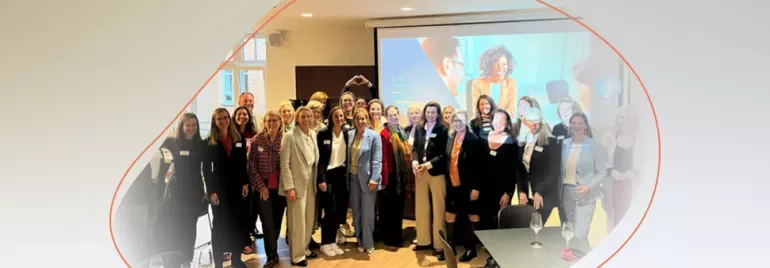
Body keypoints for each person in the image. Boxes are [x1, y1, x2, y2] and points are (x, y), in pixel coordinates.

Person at [154, 113, 208, 268]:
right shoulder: (172, 142)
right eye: (188, 125)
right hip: (175, 193)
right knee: (174, 229)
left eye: (194, 125)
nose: (191, 128)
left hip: (195, 193)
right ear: (181, 126)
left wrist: (207, 190)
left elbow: (207, 168)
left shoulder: (201, 144)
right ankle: (173, 262)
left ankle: (187, 260)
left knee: (190, 230)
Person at [203, 108, 250, 268]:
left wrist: (245, 182)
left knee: (237, 223)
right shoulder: (209, 142)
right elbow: (206, 170)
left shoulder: (239, 138)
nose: (223, 121)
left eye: (225, 117)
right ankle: (218, 262)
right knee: (219, 226)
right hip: (219, 189)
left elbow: (243, 163)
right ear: (214, 122)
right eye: (219, 119)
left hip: (237, 187)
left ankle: (237, 259)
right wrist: (211, 192)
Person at [279, 106, 320, 267]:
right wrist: (289, 187)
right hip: (296, 184)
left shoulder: (313, 134)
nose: (306, 119)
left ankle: (305, 248)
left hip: (311, 181)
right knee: (297, 222)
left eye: (309, 116)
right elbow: (285, 163)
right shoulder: (289, 136)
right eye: (303, 116)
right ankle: (297, 256)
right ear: (297, 118)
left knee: (309, 218)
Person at [443, 109, 484, 262]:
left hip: (468, 186)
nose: (458, 123)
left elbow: (480, 167)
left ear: (466, 121)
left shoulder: (474, 140)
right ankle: (450, 248)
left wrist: (476, 188)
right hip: (452, 185)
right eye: (455, 120)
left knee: (470, 217)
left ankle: (471, 249)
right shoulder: (451, 137)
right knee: (450, 215)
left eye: (461, 120)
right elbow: (447, 160)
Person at [411, 101, 450, 260]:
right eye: (428, 112)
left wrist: (428, 164)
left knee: (439, 208)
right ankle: (423, 240)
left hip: (436, 172)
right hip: (420, 172)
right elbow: (415, 148)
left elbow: (443, 154)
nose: (430, 115)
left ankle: (439, 245)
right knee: (421, 207)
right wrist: (414, 161)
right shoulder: (420, 128)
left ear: (438, 114)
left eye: (433, 112)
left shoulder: (443, 130)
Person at [247, 110, 285, 268]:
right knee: (267, 221)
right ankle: (271, 255)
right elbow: (251, 166)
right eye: (268, 121)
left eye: (275, 120)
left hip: (281, 185)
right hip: (263, 187)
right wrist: (261, 187)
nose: (272, 124)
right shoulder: (257, 140)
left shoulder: (285, 139)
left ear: (280, 122)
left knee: (277, 221)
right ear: (264, 123)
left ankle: (273, 249)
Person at [559, 112, 606, 241]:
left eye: (580, 123)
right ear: (570, 125)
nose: (576, 126)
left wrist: (589, 186)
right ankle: (573, 259)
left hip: (586, 194)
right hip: (567, 193)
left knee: (580, 233)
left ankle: (585, 258)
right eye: (573, 123)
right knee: (570, 233)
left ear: (586, 125)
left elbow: (602, 171)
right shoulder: (564, 144)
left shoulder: (594, 145)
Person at [480, 109, 517, 267]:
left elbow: (512, 171)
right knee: (486, 222)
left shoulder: (511, 142)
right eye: (496, 119)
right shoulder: (483, 137)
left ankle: (497, 258)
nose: (499, 123)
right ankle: (490, 255)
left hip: (501, 191)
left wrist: (508, 193)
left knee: (498, 224)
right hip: (483, 190)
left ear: (507, 123)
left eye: (503, 121)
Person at [347, 107, 383, 254]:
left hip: (368, 179)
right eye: (357, 119)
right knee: (356, 212)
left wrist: (375, 178)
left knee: (367, 213)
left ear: (367, 119)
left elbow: (377, 159)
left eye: (363, 119)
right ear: (354, 121)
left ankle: (368, 243)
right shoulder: (349, 135)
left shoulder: (374, 136)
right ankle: (360, 241)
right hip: (352, 178)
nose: (360, 121)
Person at [516, 108, 561, 224]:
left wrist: (540, 191)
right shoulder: (522, 141)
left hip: (543, 194)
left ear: (541, 122)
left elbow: (554, 171)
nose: (534, 125)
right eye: (530, 121)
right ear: (525, 122)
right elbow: (520, 169)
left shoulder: (550, 142)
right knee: (525, 230)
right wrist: (521, 191)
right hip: (527, 194)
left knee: (536, 228)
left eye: (537, 121)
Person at [601, 106, 643, 230]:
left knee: (633, 218)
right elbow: (599, 159)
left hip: (633, 184)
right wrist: (610, 170)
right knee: (613, 218)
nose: (624, 120)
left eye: (628, 118)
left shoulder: (641, 138)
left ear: (634, 120)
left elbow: (646, 161)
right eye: (622, 117)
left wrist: (634, 173)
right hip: (613, 183)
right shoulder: (609, 136)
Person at [316, 106, 350, 257]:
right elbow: (320, 160)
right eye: (336, 116)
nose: (339, 119)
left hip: (341, 176)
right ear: (331, 118)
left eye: (341, 116)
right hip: (327, 175)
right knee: (329, 210)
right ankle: (325, 243)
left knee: (339, 210)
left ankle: (332, 241)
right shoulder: (323, 133)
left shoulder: (347, 133)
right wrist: (321, 179)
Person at [378, 105, 411, 247]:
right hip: (391, 176)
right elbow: (383, 158)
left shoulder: (401, 131)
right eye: (390, 115)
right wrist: (384, 179)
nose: (393, 117)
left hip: (401, 176)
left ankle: (397, 235)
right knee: (390, 209)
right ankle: (390, 238)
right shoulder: (384, 134)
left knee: (399, 208)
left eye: (395, 115)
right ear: (386, 116)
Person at [471, 46, 517, 115]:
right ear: (489, 65)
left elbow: (511, 109)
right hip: (484, 123)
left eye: (504, 64)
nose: (500, 68)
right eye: (496, 64)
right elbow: (476, 109)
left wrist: (499, 120)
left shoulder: (511, 83)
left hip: (504, 123)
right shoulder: (478, 83)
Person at [403, 104, 423, 220]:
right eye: (411, 113)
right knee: (412, 197)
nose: (414, 115)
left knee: (421, 197)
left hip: (420, 167)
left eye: (416, 113)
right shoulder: (406, 130)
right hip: (408, 168)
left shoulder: (425, 129)